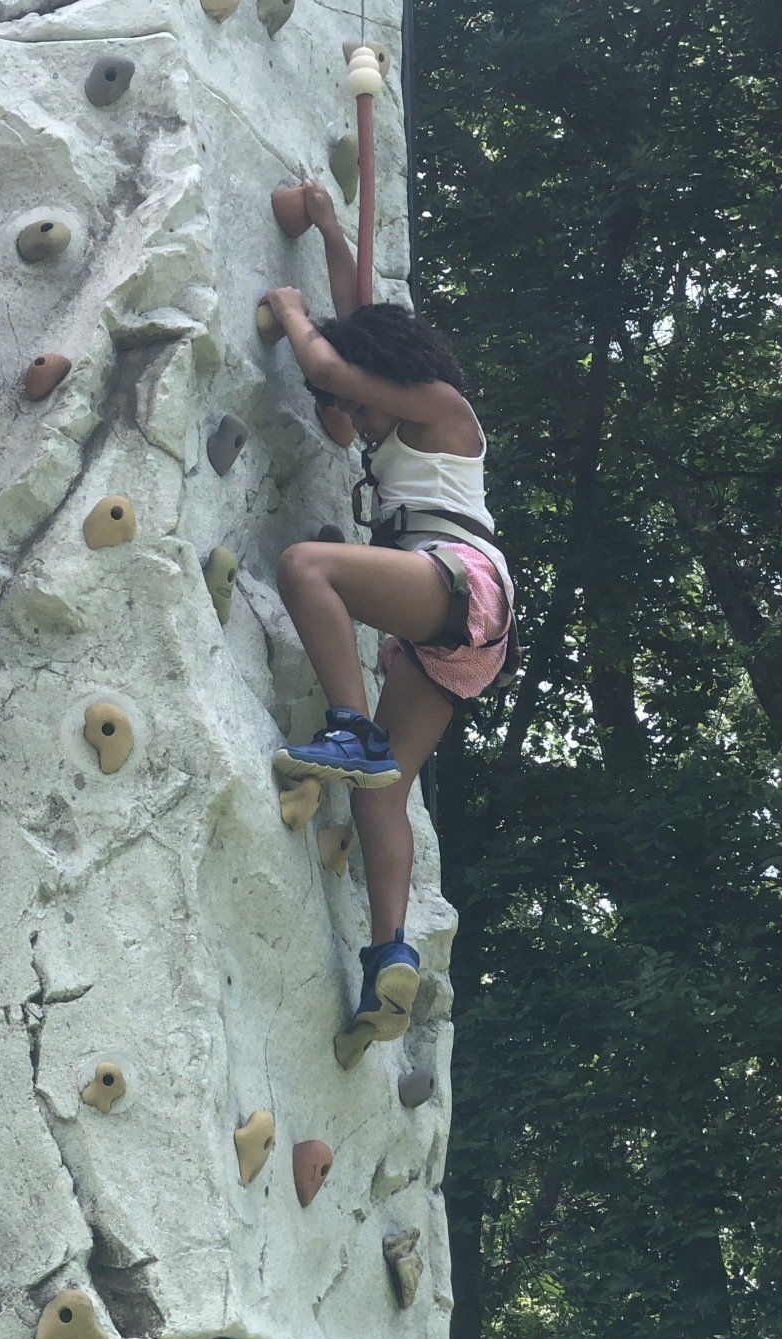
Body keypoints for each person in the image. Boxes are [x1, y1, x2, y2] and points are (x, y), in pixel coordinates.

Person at [262, 180, 517, 1051]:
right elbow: (359, 318)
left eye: (367, 404)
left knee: (307, 569)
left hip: (457, 579)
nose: (353, 417)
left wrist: (292, 311)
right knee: (385, 795)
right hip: (458, 633)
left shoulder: (441, 406)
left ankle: (347, 725)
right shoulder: (403, 412)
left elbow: (337, 360)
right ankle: (387, 958)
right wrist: (333, 229)